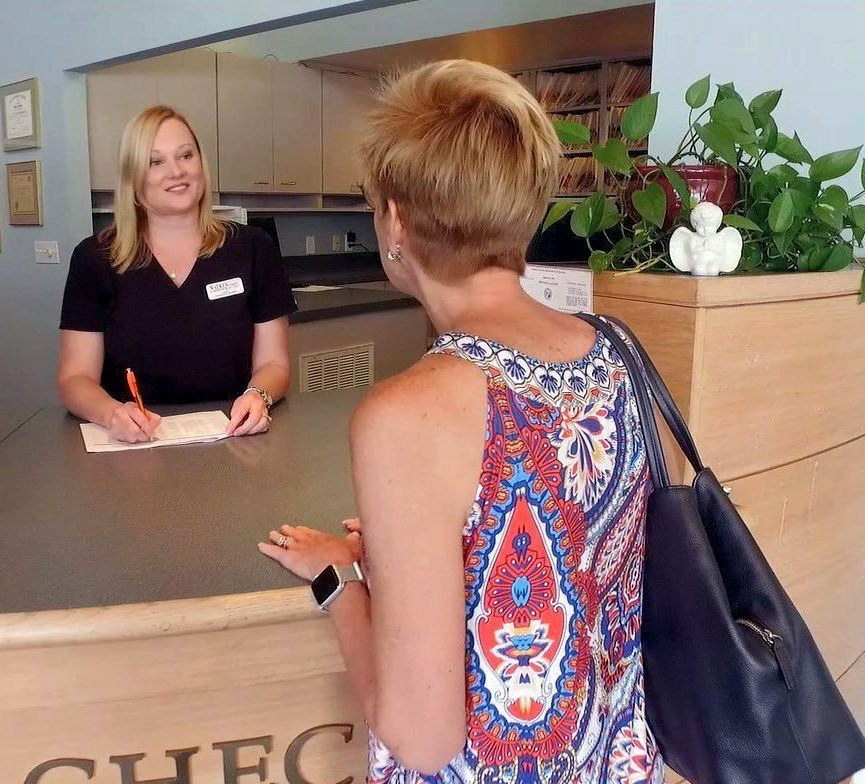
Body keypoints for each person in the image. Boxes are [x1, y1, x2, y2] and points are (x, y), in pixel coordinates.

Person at [258, 60, 665, 783]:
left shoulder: (406, 415)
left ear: (394, 221)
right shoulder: (617, 353)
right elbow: (570, 557)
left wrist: (337, 581)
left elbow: (422, 738)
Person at [58, 105, 296, 443]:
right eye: (155, 162)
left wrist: (259, 395)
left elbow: (275, 364)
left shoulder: (253, 249)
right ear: (133, 177)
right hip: (134, 446)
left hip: (233, 437)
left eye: (186, 156)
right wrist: (111, 414)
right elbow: (75, 379)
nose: (176, 171)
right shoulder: (95, 259)